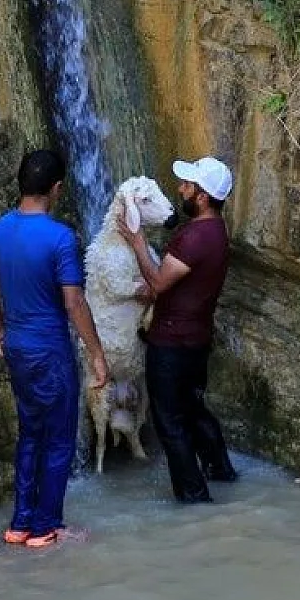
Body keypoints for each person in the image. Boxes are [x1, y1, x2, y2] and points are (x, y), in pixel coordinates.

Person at [0, 149, 110, 548]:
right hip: (49, 350)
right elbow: (73, 302)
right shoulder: (60, 238)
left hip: (17, 346)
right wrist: (96, 355)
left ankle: (20, 523)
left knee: (30, 433)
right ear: (56, 189)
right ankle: (46, 526)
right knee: (58, 438)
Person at [116, 155, 239, 503]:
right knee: (194, 407)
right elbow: (177, 282)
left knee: (170, 422)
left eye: (188, 185)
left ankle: (194, 498)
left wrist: (138, 242)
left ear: (201, 196)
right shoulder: (216, 230)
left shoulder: (194, 237)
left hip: (171, 343)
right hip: (197, 339)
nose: (181, 189)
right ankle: (221, 471)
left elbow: (157, 280)